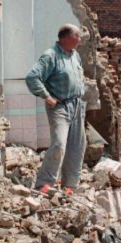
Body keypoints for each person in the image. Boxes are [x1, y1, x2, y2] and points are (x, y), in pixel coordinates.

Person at [25, 24, 87, 196]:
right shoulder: (50, 56)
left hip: (76, 106)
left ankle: (70, 186)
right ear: (68, 38)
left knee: (77, 145)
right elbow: (32, 77)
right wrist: (46, 96)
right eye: (78, 36)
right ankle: (44, 184)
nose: (80, 39)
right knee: (59, 144)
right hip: (60, 107)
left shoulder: (76, 56)